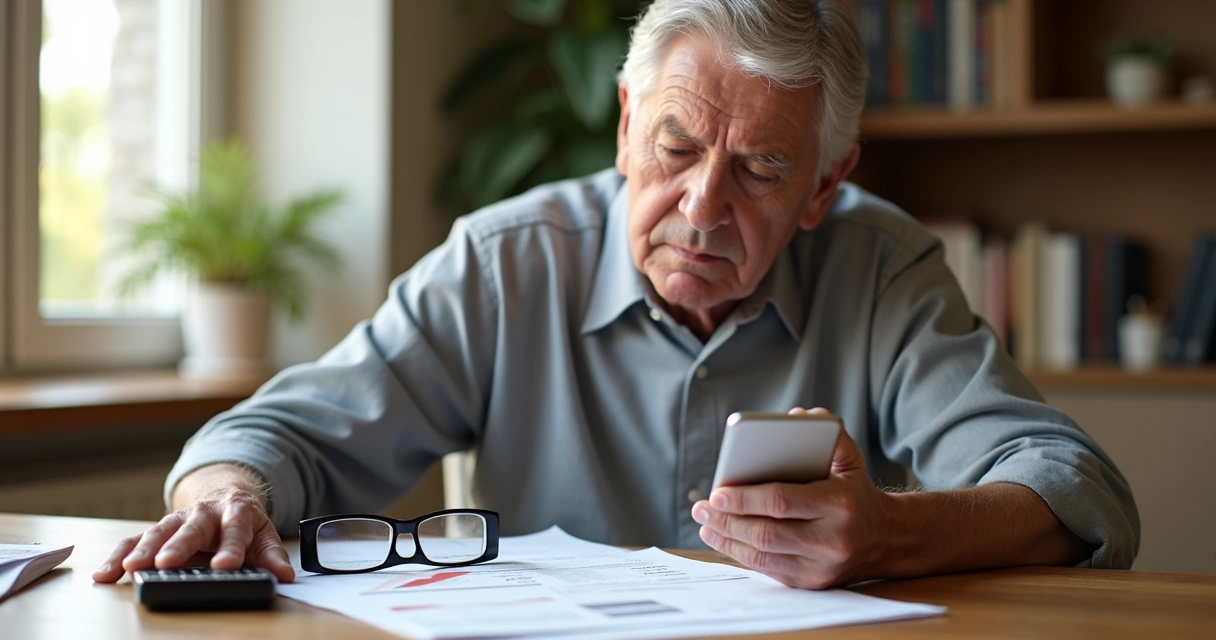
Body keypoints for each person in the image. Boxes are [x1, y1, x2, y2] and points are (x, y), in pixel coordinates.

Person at [94, 0, 1138, 590]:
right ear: (624, 120)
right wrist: (226, 497)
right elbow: (277, 436)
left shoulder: (882, 268)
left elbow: (1073, 487)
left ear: (826, 182)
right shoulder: (506, 260)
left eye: (762, 170)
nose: (700, 205)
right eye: (674, 147)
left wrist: (894, 531)